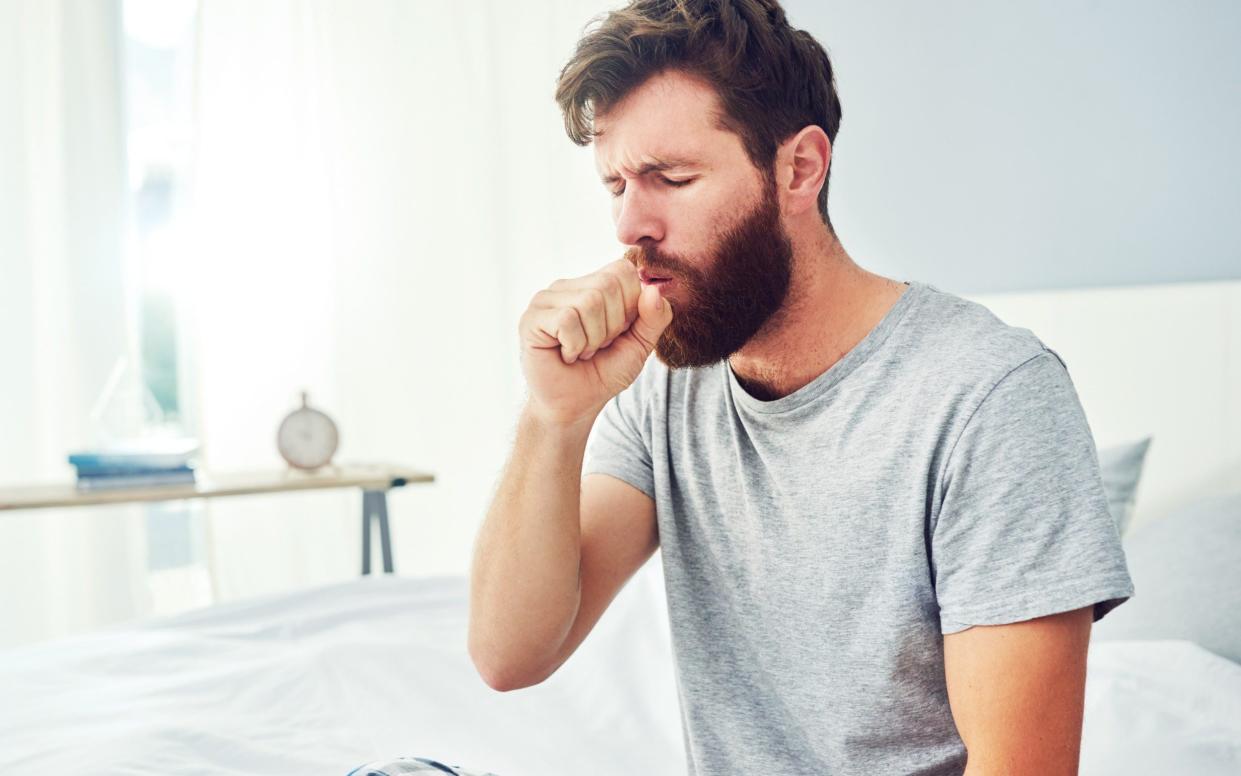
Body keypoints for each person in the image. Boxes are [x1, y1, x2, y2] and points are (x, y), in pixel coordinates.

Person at [377, 1, 1135, 774]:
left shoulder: (987, 398)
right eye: (615, 186)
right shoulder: (667, 386)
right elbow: (509, 656)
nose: (629, 226)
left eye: (669, 178)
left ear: (799, 168)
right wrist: (553, 415)